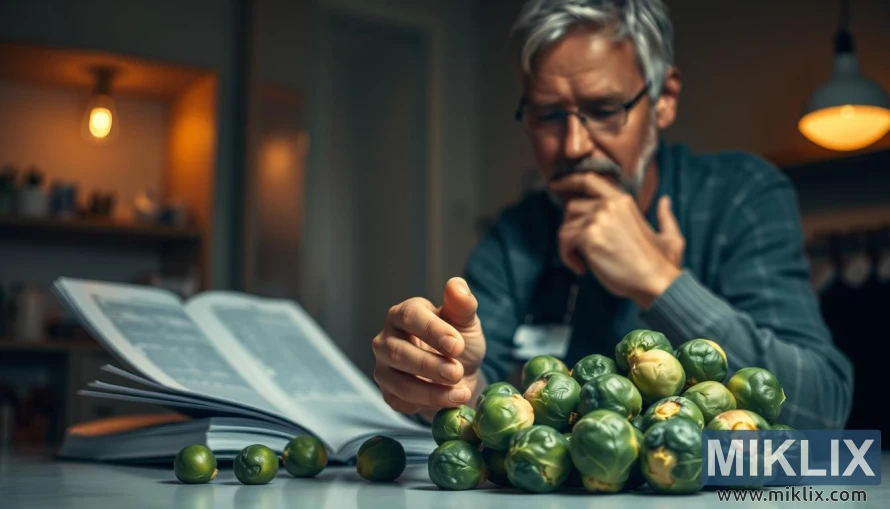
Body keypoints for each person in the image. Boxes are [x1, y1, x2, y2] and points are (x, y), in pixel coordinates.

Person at [370, 0, 853, 430]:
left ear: (663, 100)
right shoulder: (516, 236)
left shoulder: (742, 195)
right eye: (548, 115)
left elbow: (822, 408)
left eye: (604, 109)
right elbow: (471, 401)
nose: (575, 146)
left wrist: (659, 281)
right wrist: (446, 382)